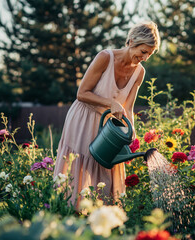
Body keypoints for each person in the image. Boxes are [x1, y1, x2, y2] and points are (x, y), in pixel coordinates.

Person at [53, 21, 160, 206]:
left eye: (149, 54)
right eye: (143, 51)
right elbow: (82, 94)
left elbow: (128, 107)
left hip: (108, 128)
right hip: (83, 119)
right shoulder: (105, 57)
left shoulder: (139, 73)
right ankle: (68, 211)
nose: (144, 57)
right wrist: (111, 103)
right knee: (78, 167)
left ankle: (103, 216)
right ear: (132, 41)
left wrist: (131, 132)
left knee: (107, 169)